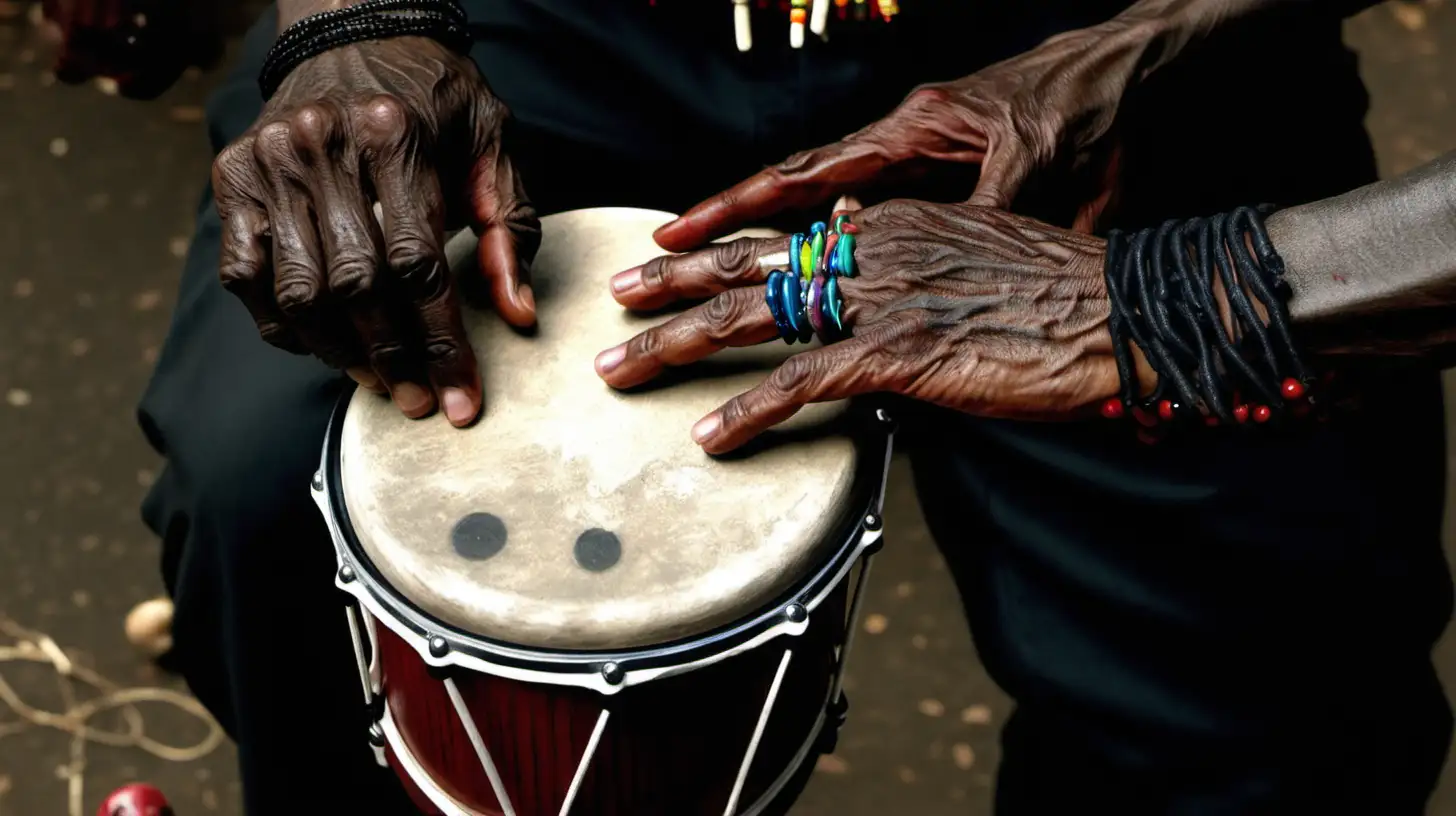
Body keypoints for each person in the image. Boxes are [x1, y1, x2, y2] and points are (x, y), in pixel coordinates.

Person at [93, 0, 1449, 813]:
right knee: (269, 489)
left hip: (1125, 42)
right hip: (545, 30)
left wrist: (1169, 289)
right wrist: (354, 17)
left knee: (1272, 694)